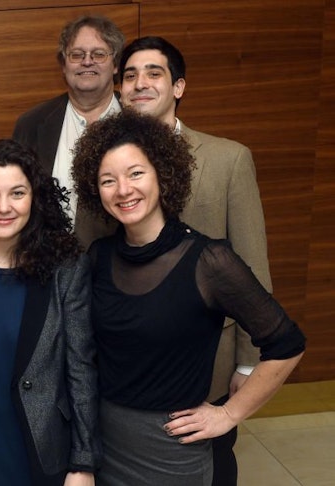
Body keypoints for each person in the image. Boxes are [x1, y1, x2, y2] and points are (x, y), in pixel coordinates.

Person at [70, 111, 305, 485]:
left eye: (135, 173)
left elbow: (288, 344)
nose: (123, 189)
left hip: (172, 452)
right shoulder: (99, 256)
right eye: (107, 180)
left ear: (162, 175)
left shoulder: (208, 261)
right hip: (105, 442)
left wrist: (228, 415)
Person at [118, 36, 272, 486]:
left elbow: (252, 266)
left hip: (209, 361)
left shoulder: (227, 160)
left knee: (211, 462)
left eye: (153, 73)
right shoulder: (103, 162)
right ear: (118, 91)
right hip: (126, 362)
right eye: (129, 76)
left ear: (179, 86)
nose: (140, 83)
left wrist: (248, 364)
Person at [0, 139, 99, 486]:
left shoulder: (66, 269)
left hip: (42, 445)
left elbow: (81, 370)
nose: (3, 207)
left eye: (17, 193)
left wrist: (83, 462)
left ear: (35, 197)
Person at [12, 15, 125, 246]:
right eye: (76, 55)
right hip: (50, 264)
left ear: (115, 65)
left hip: (124, 267)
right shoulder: (31, 124)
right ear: (64, 65)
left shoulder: (139, 122)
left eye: (98, 54)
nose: (87, 62)